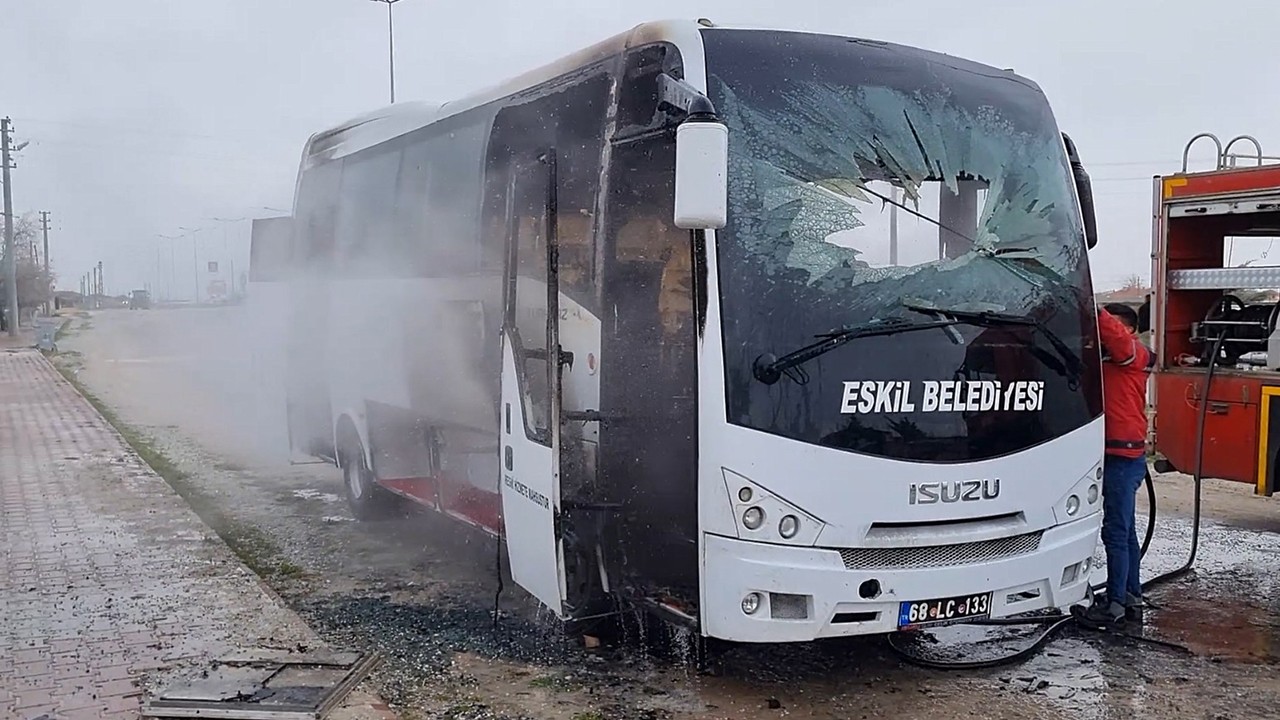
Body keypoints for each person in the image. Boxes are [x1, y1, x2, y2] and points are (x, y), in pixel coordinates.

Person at [1082, 303, 1155, 629]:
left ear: (1128, 330)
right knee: (1126, 533)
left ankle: (1114, 605)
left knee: (1115, 532)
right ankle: (1130, 596)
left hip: (1123, 459)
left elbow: (1117, 340)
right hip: (1116, 456)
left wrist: (1092, 308)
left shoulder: (1133, 355)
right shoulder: (1108, 362)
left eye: (1108, 330)